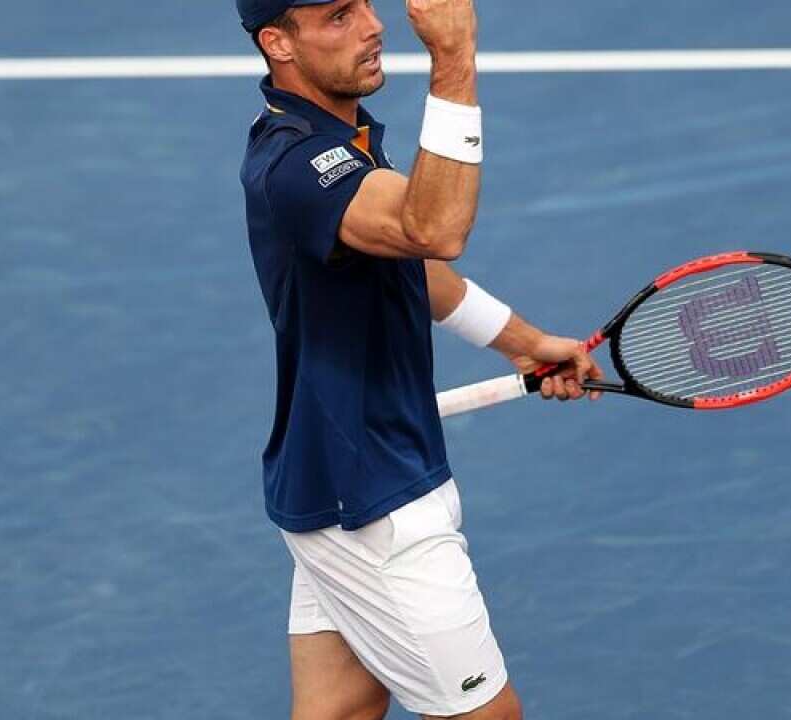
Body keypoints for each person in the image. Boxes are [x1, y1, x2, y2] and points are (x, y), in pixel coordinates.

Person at [236, 1, 603, 718]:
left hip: (341, 475)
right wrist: (454, 60)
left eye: (365, 4)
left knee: (340, 708)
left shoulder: (336, 139)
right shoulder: (299, 165)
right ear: (278, 43)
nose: (373, 25)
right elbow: (431, 229)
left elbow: (406, 258)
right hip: (372, 503)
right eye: (338, 16)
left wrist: (522, 342)